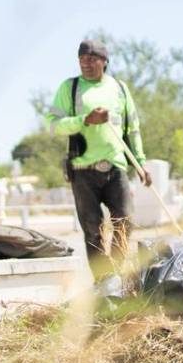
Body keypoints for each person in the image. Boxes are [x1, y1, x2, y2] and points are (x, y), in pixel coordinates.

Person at [45, 39, 150, 281]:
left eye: (92, 59)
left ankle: (115, 275)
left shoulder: (120, 89)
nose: (86, 64)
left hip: (116, 167)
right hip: (83, 170)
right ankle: (103, 282)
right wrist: (84, 120)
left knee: (125, 220)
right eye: (82, 59)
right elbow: (52, 125)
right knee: (93, 231)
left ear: (104, 61)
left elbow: (132, 129)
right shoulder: (69, 88)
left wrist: (141, 163)